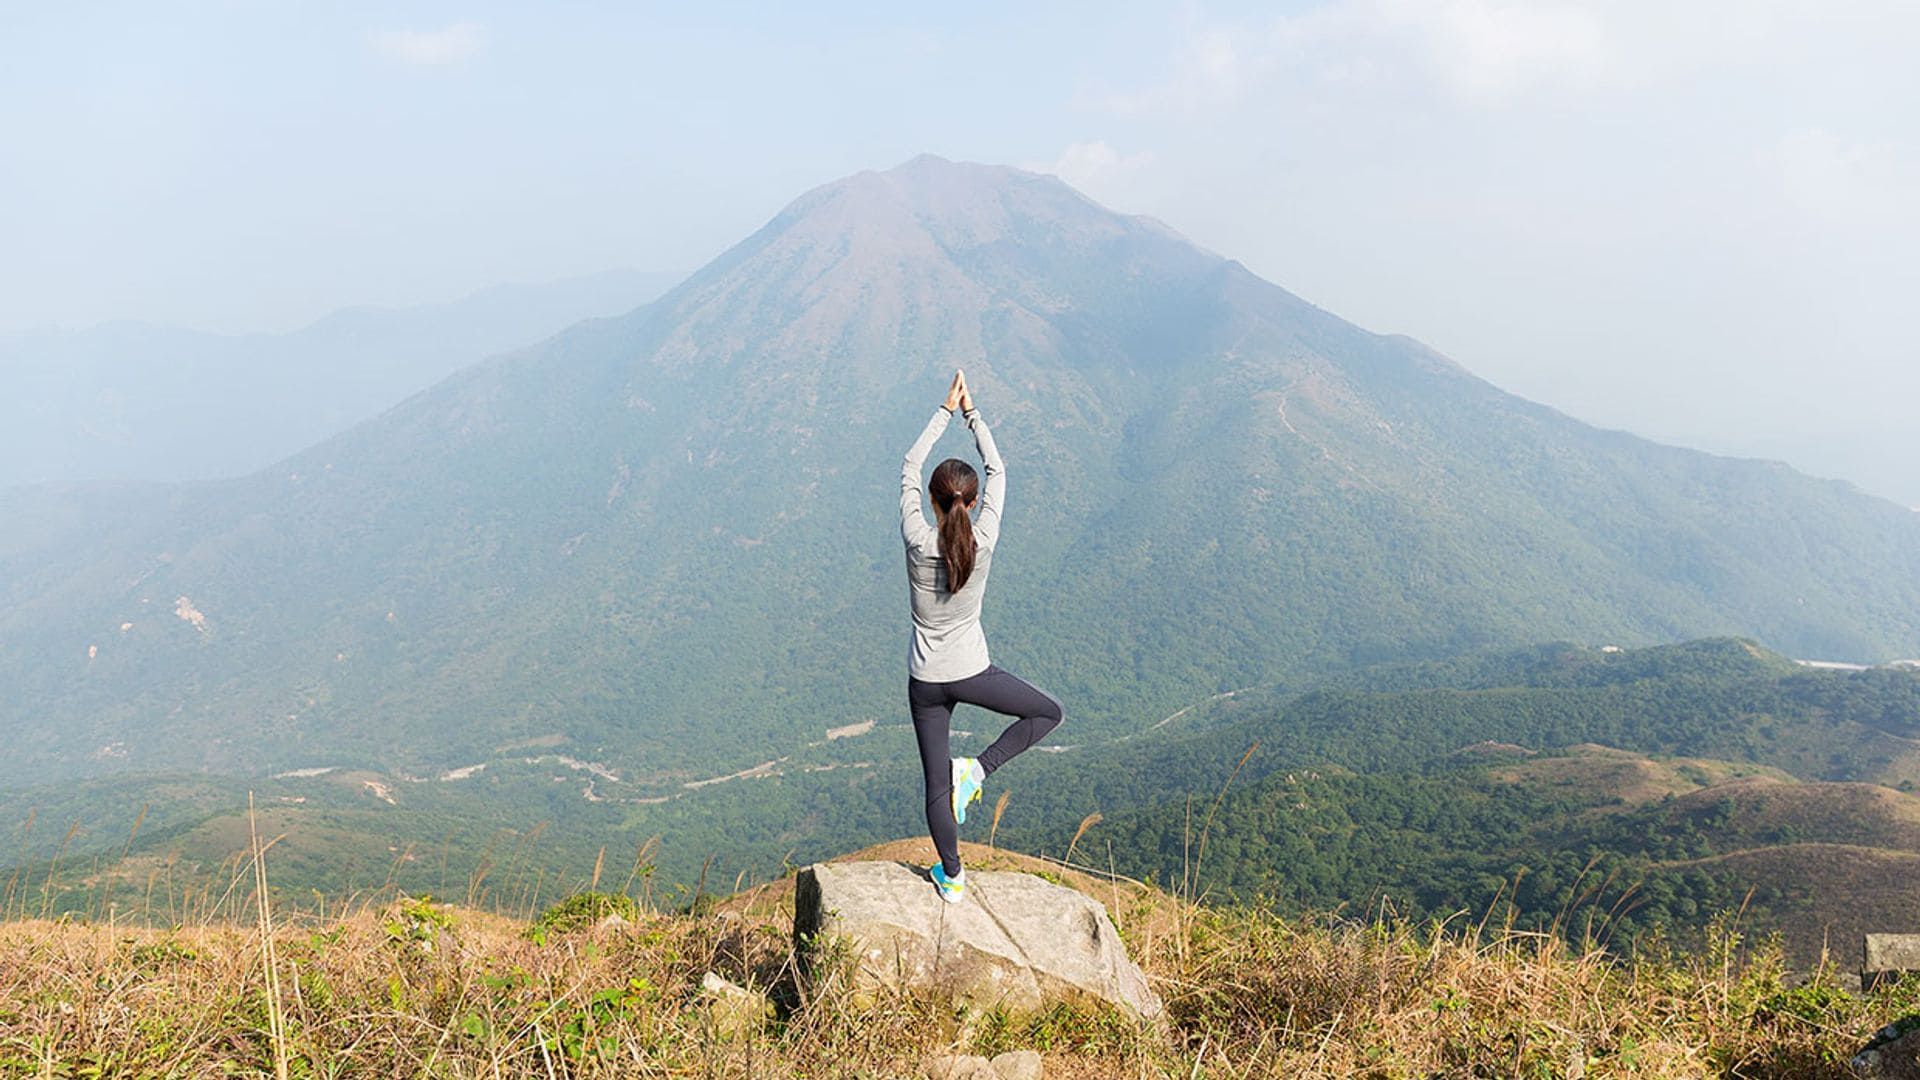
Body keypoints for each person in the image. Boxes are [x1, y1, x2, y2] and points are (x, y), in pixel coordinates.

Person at [899, 369, 1065, 903]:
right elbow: (998, 469)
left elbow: (908, 466)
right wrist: (972, 414)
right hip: (973, 672)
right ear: (971, 504)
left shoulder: (915, 538)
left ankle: (952, 874)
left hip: (925, 680)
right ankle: (979, 770)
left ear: (931, 500)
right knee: (1047, 712)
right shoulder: (984, 541)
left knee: (933, 786)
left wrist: (943, 411)